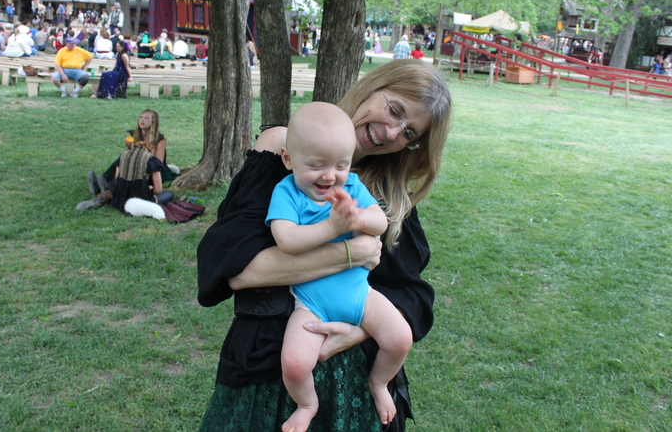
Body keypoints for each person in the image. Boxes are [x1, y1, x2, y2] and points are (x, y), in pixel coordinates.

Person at [196, 59, 452, 432]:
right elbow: (233, 267)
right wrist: (350, 252)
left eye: (408, 132)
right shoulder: (283, 152)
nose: (392, 132)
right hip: (271, 363)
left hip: (357, 376)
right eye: (394, 110)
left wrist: (360, 331)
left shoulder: (386, 192)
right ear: (372, 86)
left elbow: (412, 295)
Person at [267, 102, 411, 432]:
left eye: (341, 165)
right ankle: (307, 404)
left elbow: (380, 222)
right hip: (311, 304)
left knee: (401, 338)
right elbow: (286, 240)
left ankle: (378, 382)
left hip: (359, 294)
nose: (330, 175)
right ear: (289, 159)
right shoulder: (287, 193)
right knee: (294, 363)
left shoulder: (352, 187)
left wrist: (359, 218)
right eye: (317, 165)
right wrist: (332, 227)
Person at [81, 109, 179, 209]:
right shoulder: (135, 135)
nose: (142, 120)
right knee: (122, 158)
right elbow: (131, 156)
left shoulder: (160, 139)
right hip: (136, 168)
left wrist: (140, 157)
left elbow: (158, 162)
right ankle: (103, 183)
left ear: (153, 122)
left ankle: (108, 186)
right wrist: (130, 149)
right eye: (141, 117)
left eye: (146, 118)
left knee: (124, 162)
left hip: (152, 169)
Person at [76, 139, 174, 212]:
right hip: (139, 199)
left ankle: (104, 194)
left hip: (119, 198)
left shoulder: (123, 155)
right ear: (150, 150)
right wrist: (150, 189)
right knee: (169, 194)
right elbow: (158, 190)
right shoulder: (151, 159)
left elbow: (117, 180)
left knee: (118, 186)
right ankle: (105, 193)